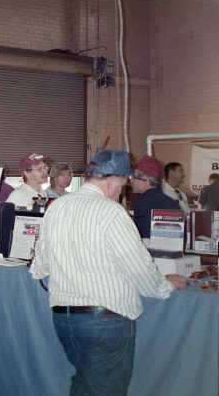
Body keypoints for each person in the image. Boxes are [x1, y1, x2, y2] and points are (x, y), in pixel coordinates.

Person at [30, 149, 187, 396]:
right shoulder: (113, 213)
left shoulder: (56, 208)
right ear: (113, 180)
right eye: (123, 185)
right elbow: (141, 271)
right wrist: (165, 286)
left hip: (64, 319)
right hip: (105, 321)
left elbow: (40, 266)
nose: (122, 192)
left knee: (84, 383)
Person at [130, 155, 180, 238]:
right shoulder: (172, 203)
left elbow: (139, 237)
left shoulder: (143, 203)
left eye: (134, 177)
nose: (131, 181)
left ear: (146, 180)